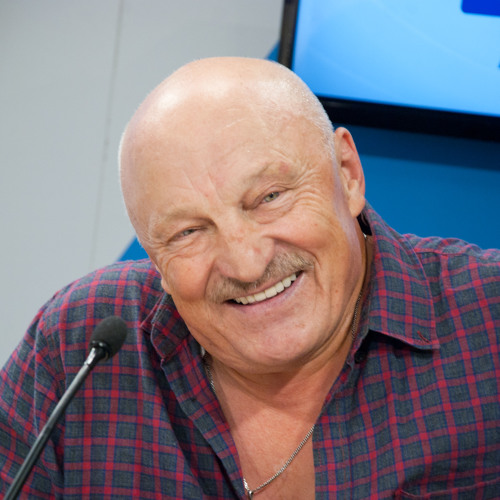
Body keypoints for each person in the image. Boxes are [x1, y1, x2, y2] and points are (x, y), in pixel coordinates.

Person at [0, 57, 499, 499]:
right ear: (155, 259)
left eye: (269, 198)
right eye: (189, 231)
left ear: (347, 173)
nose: (246, 265)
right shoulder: (77, 344)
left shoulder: (489, 319)